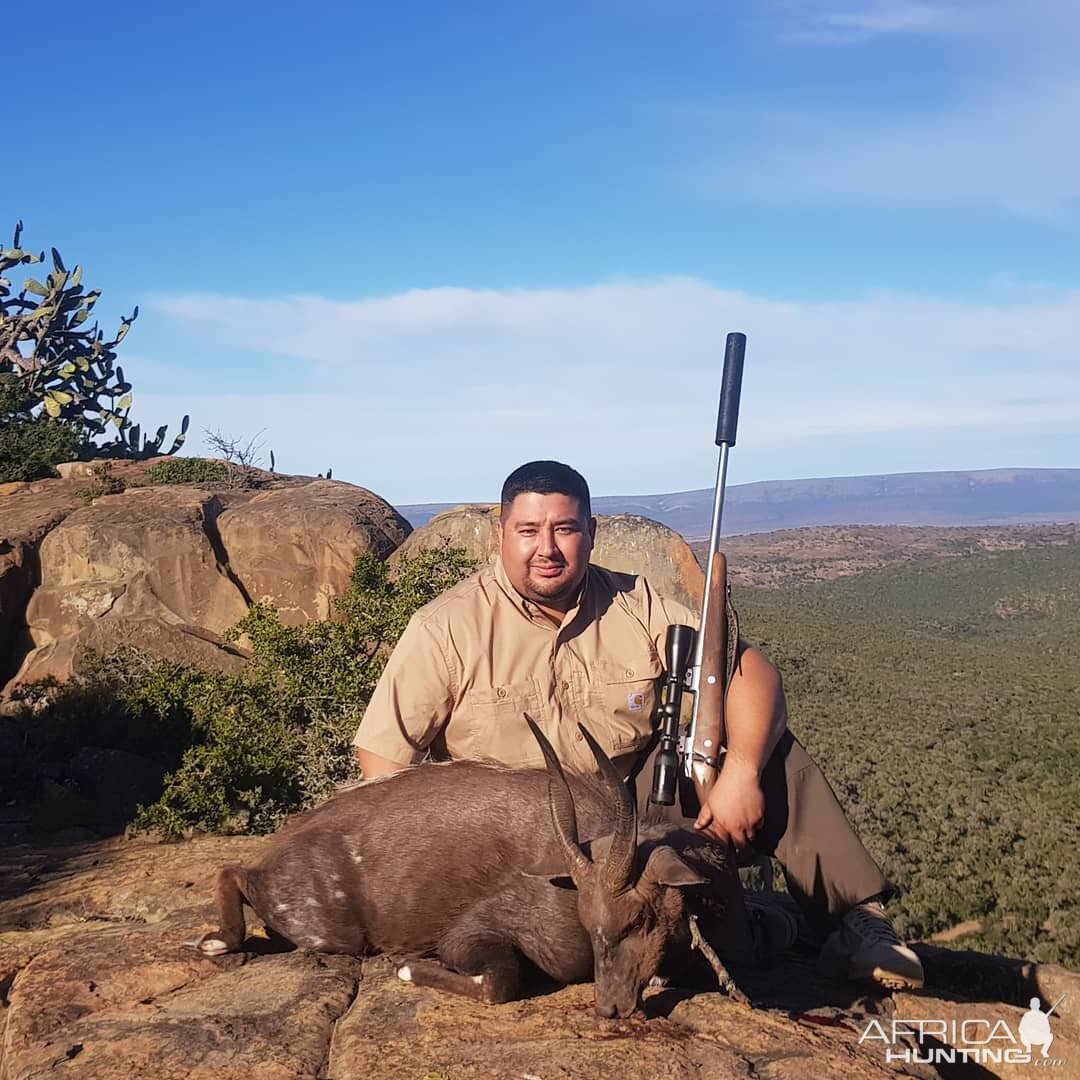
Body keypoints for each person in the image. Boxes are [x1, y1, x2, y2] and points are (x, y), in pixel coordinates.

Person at [354, 460, 924, 990]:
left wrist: (741, 772)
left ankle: (858, 922)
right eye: (528, 531)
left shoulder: (636, 602)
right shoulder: (444, 629)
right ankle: (758, 921)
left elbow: (748, 673)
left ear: (592, 532)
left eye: (565, 529)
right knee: (612, 954)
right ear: (499, 534)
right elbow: (383, 765)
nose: (546, 548)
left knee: (763, 749)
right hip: (516, 842)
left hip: (636, 817)